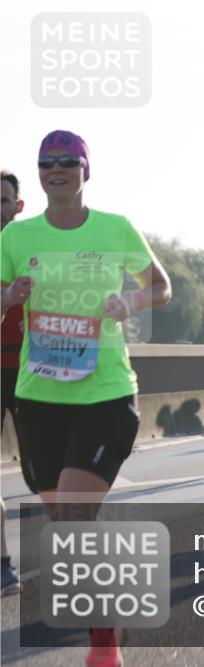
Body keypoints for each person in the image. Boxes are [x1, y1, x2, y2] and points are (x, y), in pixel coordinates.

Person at [1, 130, 172, 665]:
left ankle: (103, 649)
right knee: (68, 527)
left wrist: (131, 300)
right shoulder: (16, 238)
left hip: (105, 393)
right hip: (39, 397)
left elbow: (162, 287)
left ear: (85, 170)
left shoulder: (115, 228)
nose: (57, 170)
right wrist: (8, 296)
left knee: (74, 512)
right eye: (47, 162)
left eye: (68, 162)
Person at [0, 169, 26, 595]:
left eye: (4, 200)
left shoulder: (35, 248)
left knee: (47, 474)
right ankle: (3, 563)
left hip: (32, 371)